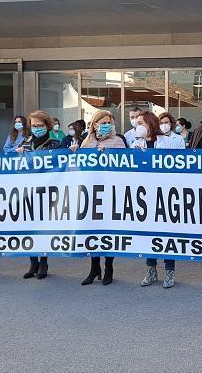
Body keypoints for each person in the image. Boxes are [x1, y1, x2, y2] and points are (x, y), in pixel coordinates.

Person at [78, 110, 126, 285]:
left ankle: (109, 268)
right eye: (103, 122)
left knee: (108, 231)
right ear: (95, 124)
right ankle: (94, 267)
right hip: (92, 192)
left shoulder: (118, 141)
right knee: (93, 230)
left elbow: (125, 165)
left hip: (110, 193)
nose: (106, 125)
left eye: (109, 122)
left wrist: (109, 154)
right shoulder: (87, 141)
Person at [138, 111, 183, 288]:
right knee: (149, 234)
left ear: (149, 124)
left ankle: (169, 271)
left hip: (165, 193)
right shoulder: (137, 143)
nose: (138, 126)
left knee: (167, 233)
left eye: (141, 123)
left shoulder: (166, 142)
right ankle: (151, 270)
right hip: (145, 195)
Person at [16, 110, 64, 279]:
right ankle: (33, 261)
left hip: (48, 191)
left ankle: (43, 261)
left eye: (40, 125)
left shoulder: (56, 145)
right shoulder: (26, 144)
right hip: (28, 191)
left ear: (47, 126)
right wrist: (18, 155)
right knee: (29, 226)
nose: (36, 128)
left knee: (44, 227)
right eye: (34, 125)